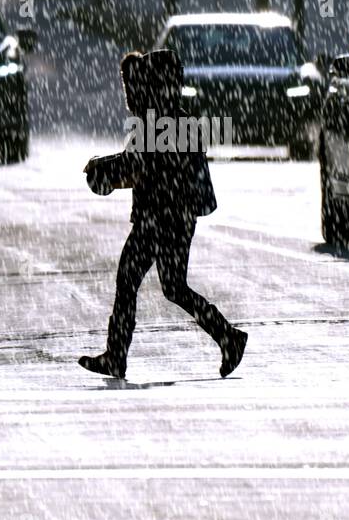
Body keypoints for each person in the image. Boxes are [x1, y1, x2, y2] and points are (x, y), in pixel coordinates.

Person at [80, 49, 248, 380]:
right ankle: (228, 336)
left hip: (162, 217)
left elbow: (138, 166)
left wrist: (103, 169)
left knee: (133, 280)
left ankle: (117, 355)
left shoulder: (160, 121)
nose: (129, 94)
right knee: (171, 286)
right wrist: (109, 170)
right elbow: (141, 164)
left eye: (132, 85)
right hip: (173, 216)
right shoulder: (171, 118)